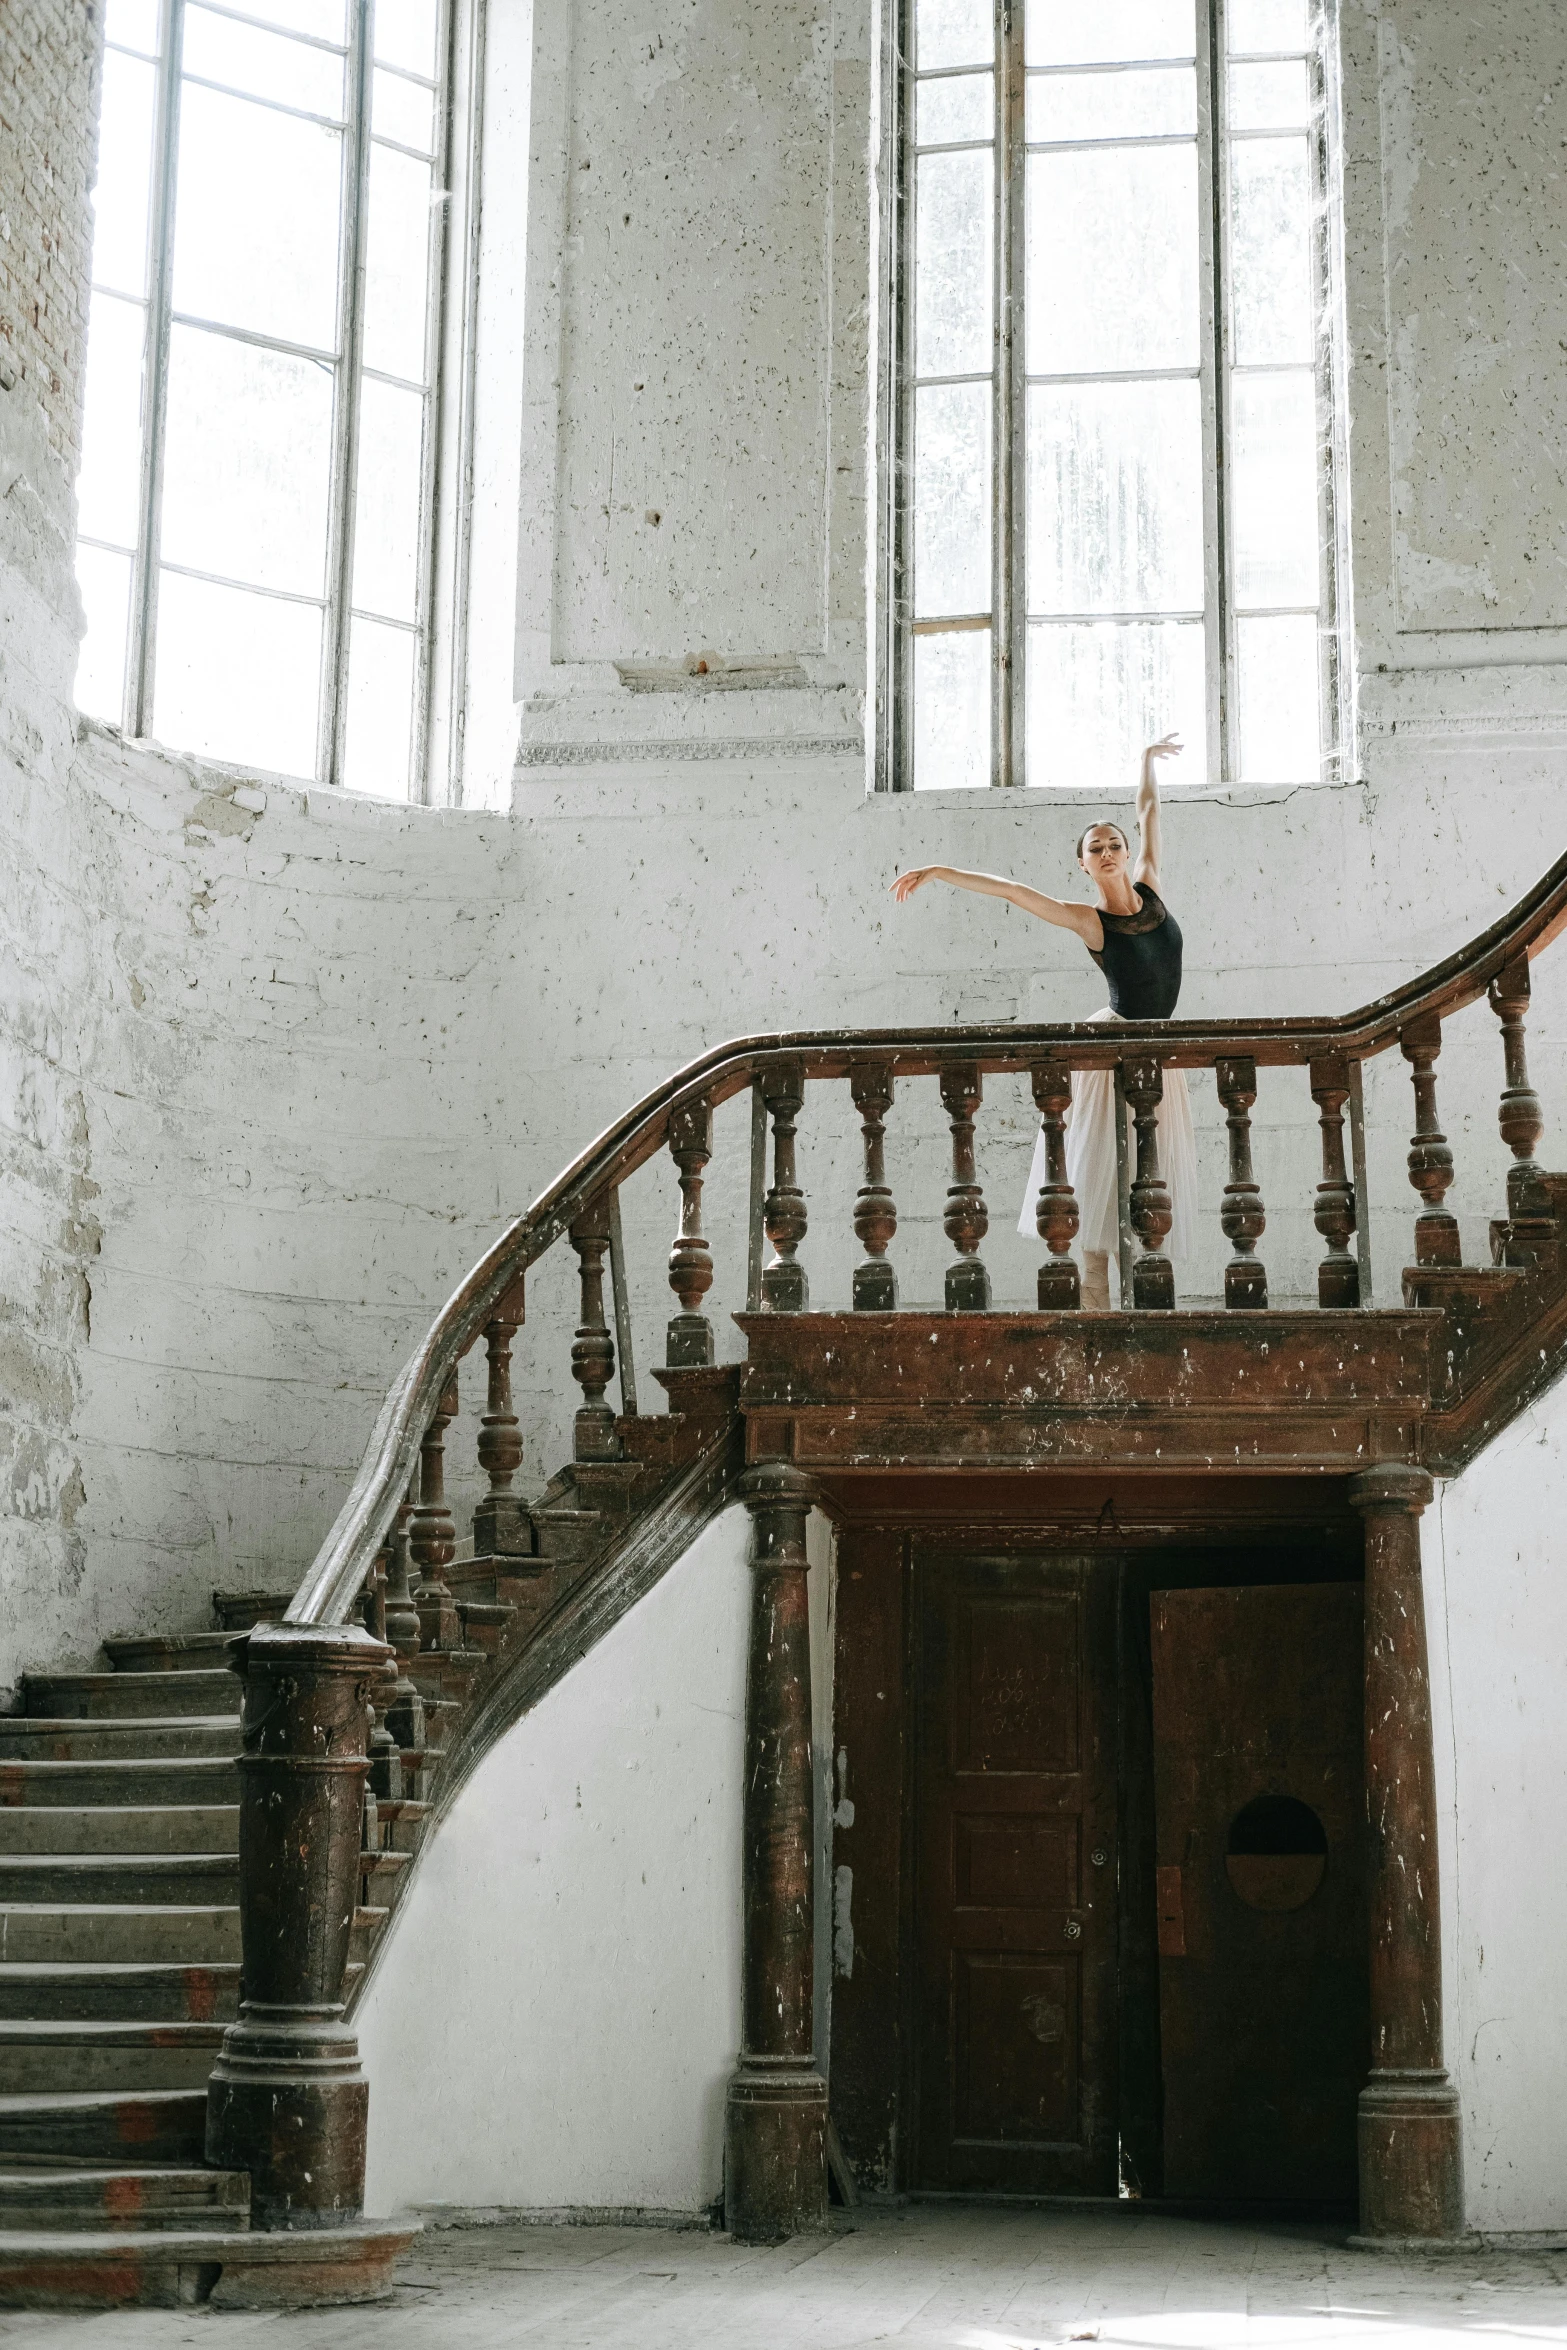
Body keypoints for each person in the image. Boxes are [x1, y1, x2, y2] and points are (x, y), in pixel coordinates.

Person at [889, 735, 1196, 1309]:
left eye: (1113, 844)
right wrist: (940, 870)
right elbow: (1012, 892)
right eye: (1095, 848)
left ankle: (1150, 1312)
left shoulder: (1152, 884)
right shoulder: (1088, 920)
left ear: (1125, 854)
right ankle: (1096, 1312)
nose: (1106, 852)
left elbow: (1149, 810)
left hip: (1160, 1050)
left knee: (1151, 1182)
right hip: (1113, 1049)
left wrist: (1147, 761)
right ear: (1083, 864)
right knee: (1099, 1175)